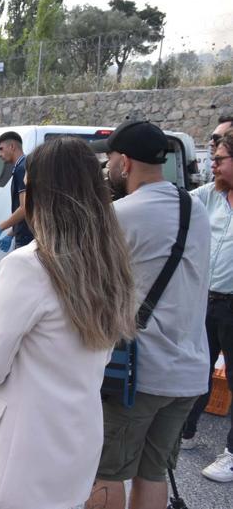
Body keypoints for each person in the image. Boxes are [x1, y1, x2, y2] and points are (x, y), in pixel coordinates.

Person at [0, 137, 136, 509]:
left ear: (38, 195)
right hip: (73, 455)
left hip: (11, 465)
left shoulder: (29, 266)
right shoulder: (112, 263)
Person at [85, 121, 211, 509]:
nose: (108, 170)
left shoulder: (122, 214)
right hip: (189, 372)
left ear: (125, 162)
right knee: (153, 473)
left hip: (138, 376)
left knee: (106, 472)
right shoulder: (197, 209)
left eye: (109, 161)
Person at [181, 128, 233, 482]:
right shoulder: (210, 196)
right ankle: (185, 431)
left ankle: (231, 453)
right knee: (198, 368)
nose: (211, 165)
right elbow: (179, 201)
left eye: (218, 160)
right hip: (208, 299)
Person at [0, 131, 33, 252]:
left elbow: (25, 208)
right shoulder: (24, 165)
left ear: (12, 147)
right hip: (26, 234)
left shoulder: (21, 168)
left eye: (1, 149)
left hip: (27, 238)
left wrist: (0, 227)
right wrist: (11, 233)